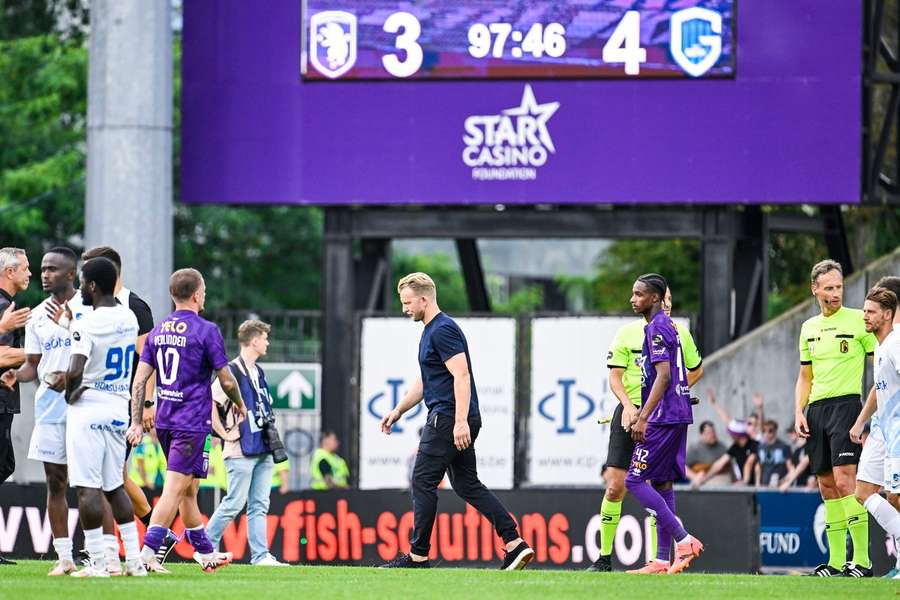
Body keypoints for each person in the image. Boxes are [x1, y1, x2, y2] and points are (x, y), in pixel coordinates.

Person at [379, 272, 534, 570]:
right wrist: (398, 410)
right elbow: (425, 382)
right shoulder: (430, 331)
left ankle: (417, 556)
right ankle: (514, 543)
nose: (404, 309)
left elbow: (461, 375)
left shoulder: (442, 330)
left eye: (408, 302)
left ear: (424, 299)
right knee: (466, 484)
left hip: (448, 418)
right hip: (453, 417)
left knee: (422, 480)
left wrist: (460, 421)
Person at [128, 268, 247, 573]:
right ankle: (147, 554)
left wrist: (137, 421)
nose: (204, 295)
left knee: (188, 488)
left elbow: (140, 380)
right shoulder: (206, 330)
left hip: (167, 420)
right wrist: (239, 405)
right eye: (203, 290)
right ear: (196, 294)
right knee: (174, 488)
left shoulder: (157, 331)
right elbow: (227, 380)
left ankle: (205, 553)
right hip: (190, 423)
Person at [589, 285, 703, 572]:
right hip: (630, 413)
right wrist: (629, 407)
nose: (666, 304)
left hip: (658, 416)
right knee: (616, 485)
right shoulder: (629, 332)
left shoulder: (674, 331)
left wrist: (675, 393)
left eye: (669, 299)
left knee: (647, 481)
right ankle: (604, 559)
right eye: (662, 299)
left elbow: (693, 369)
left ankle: (671, 550)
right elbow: (614, 377)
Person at [0, 248, 85, 575]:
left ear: (69, 274)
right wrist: (15, 375)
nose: (42, 274)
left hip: (86, 408)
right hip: (50, 409)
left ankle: (100, 554)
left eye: (51, 269)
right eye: (40, 268)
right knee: (56, 482)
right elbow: (33, 365)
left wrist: (74, 374)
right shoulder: (35, 315)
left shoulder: (90, 311)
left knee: (96, 484)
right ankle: (64, 557)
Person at [62, 257, 145, 577]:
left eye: (83, 282)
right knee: (114, 486)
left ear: (93, 286)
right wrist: (72, 325)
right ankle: (134, 562)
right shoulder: (128, 318)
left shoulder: (87, 323)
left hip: (89, 407)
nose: (80, 287)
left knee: (87, 488)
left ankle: (97, 562)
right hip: (117, 407)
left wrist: (70, 393)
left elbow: (76, 369)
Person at [795, 259, 876, 577]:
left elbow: (881, 361)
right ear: (815, 290)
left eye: (839, 287)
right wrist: (798, 411)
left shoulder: (859, 321)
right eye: (828, 288)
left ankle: (863, 561)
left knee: (846, 482)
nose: (835, 293)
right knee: (826, 485)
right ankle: (837, 561)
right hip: (816, 410)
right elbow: (804, 375)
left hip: (846, 407)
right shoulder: (808, 328)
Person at [621, 273, 702, 575]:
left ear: (655, 298)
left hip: (663, 417)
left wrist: (643, 417)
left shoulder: (656, 327)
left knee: (633, 480)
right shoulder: (668, 327)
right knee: (662, 482)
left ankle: (684, 540)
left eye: (639, 294)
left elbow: (664, 375)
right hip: (675, 413)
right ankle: (660, 559)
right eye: (633, 293)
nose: (633, 299)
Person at [207, 319, 287, 566]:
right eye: (264, 338)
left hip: (262, 446)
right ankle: (205, 547)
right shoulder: (231, 370)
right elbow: (209, 402)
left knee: (259, 505)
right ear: (254, 341)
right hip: (240, 450)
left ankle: (261, 555)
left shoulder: (258, 371)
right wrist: (223, 433)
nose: (267, 342)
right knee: (234, 503)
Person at [850, 287, 900, 579]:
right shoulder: (880, 346)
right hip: (883, 428)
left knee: (895, 497)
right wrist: (861, 421)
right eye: (864, 310)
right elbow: (878, 388)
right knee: (863, 491)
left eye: (870, 311)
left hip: (897, 430)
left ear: (887, 314)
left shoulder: (895, 344)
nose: (865, 316)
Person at [0, 247, 30, 566]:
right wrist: (40, 351)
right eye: (25, 268)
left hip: (5, 402)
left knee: (5, 464)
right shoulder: (2, 305)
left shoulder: (8, 305)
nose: (30, 273)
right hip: (0, 402)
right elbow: (1, 355)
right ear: (10, 272)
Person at [685, 421, 729, 486]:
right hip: (701, 480)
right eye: (709, 433)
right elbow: (683, 467)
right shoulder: (695, 448)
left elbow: (729, 467)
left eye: (713, 432)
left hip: (720, 480)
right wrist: (694, 477)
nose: (713, 435)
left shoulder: (722, 447)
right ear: (701, 435)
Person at [755, 420, 794, 487]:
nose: (766, 433)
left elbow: (790, 468)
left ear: (775, 431)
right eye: (764, 431)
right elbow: (758, 466)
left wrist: (784, 481)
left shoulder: (784, 447)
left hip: (779, 486)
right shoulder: (760, 447)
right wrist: (757, 483)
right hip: (764, 485)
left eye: (770, 431)